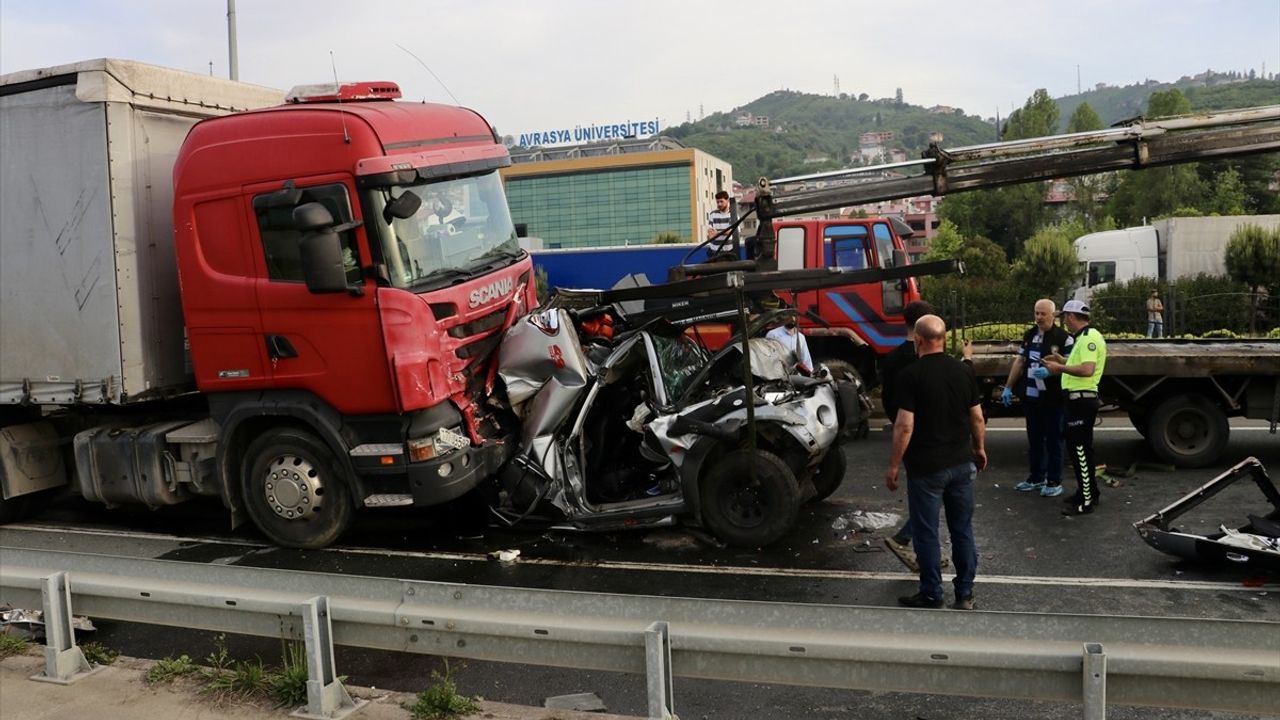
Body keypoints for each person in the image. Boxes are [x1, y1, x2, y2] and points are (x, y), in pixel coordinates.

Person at [884, 315, 986, 610]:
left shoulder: (911, 375)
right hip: (962, 463)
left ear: (918, 339)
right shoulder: (963, 371)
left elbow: (904, 426)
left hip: (927, 468)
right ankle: (965, 594)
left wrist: (893, 466)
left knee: (927, 532)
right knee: (962, 530)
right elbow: (976, 417)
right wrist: (979, 449)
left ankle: (931, 593)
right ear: (943, 338)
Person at [879, 300, 937, 571]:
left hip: (906, 434)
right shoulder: (924, 358)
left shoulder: (891, 360)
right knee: (931, 495)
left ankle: (924, 550)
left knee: (925, 494)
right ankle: (906, 540)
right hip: (928, 435)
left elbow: (889, 400)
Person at [1038, 299, 1107, 515]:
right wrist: (1063, 360)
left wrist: (1058, 367)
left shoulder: (1088, 338)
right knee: (1078, 447)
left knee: (1080, 450)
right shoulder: (1084, 338)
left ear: (1070, 317)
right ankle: (1088, 492)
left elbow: (1087, 369)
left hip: (1081, 401)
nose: (1064, 322)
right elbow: (1079, 363)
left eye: (1065, 317)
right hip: (1077, 400)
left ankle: (1086, 500)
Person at [1002, 299, 1073, 498]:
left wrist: (1052, 372)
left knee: (1053, 440)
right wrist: (1008, 387)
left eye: (1043, 314)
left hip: (1052, 398)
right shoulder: (1030, 334)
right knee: (1034, 440)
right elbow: (1020, 361)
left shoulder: (1064, 338)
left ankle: (1054, 480)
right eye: (1036, 313)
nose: (1039, 317)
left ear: (1053, 315)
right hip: (1031, 398)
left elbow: (1071, 366)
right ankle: (1036, 477)